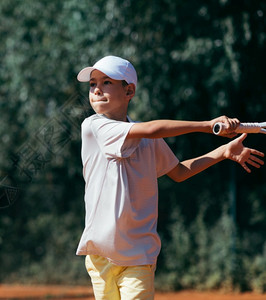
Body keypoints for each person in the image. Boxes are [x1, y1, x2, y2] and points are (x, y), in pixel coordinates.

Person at [75, 55, 264, 300]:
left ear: (129, 90)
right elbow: (153, 129)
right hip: (100, 255)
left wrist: (223, 152)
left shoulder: (147, 139)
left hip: (139, 255)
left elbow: (179, 172)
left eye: (107, 82)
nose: (97, 89)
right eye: (92, 84)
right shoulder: (93, 126)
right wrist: (208, 125)